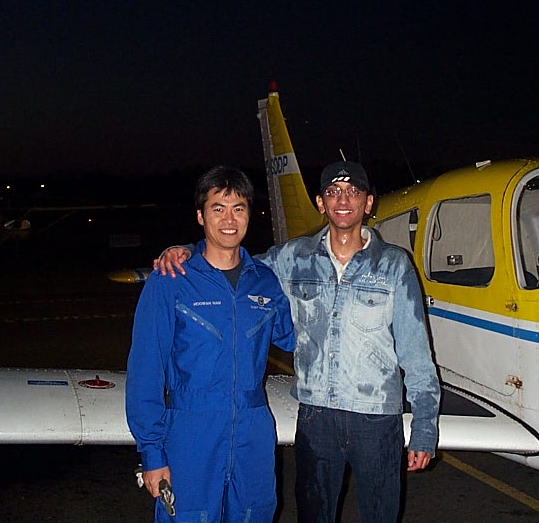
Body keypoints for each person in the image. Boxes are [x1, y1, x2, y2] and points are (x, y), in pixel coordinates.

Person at [156, 160, 440, 523]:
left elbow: (417, 354)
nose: (343, 200)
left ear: (369, 204)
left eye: (354, 192)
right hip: (316, 417)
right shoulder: (293, 257)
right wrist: (185, 249)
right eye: (333, 192)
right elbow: (230, 261)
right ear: (321, 203)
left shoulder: (394, 265)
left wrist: (424, 429)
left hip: (377, 421)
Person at [126, 165, 295, 523]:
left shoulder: (265, 282)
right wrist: (153, 455)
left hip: (253, 433)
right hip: (191, 433)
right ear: (200, 216)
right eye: (218, 208)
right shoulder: (170, 280)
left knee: (256, 515)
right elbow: (145, 373)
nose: (229, 219)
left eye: (239, 208)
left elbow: (299, 339)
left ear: (250, 214)